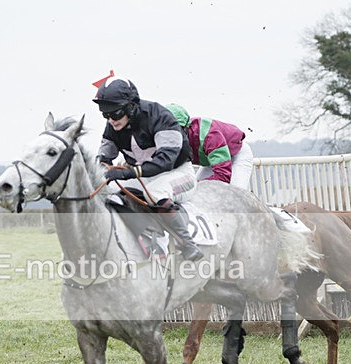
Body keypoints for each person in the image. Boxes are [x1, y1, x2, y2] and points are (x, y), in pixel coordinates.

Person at [92, 75, 204, 261]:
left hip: (177, 173)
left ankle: (187, 244)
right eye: (106, 114)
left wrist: (126, 172)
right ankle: (149, 238)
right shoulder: (112, 126)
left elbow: (166, 160)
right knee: (109, 193)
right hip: (144, 175)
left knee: (155, 192)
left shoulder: (160, 116)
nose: (111, 120)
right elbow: (104, 157)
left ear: (131, 106)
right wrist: (100, 170)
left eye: (115, 113)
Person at [165, 103, 254, 190]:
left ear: (186, 127)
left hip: (237, 155)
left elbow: (223, 176)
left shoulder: (209, 135)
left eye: (175, 130)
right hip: (212, 161)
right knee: (193, 193)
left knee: (235, 193)